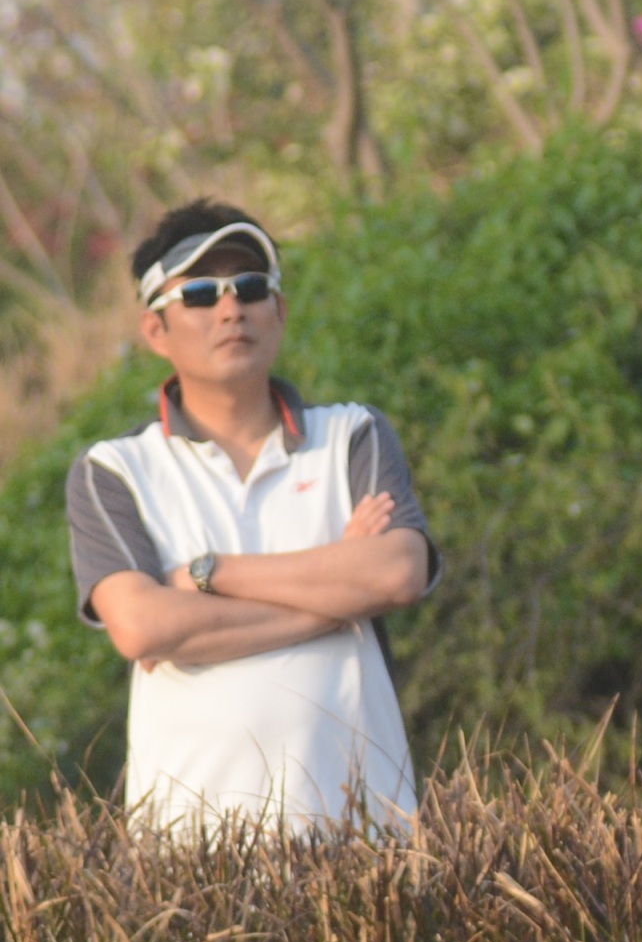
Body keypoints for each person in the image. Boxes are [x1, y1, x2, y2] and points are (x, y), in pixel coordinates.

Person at [65, 200, 436, 832]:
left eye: (251, 287)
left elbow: (398, 573)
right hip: (190, 849)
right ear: (155, 330)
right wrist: (339, 599)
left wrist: (208, 574)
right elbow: (141, 626)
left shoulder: (352, 435)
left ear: (279, 310)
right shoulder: (116, 470)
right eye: (200, 294)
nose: (231, 308)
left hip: (366, 841)